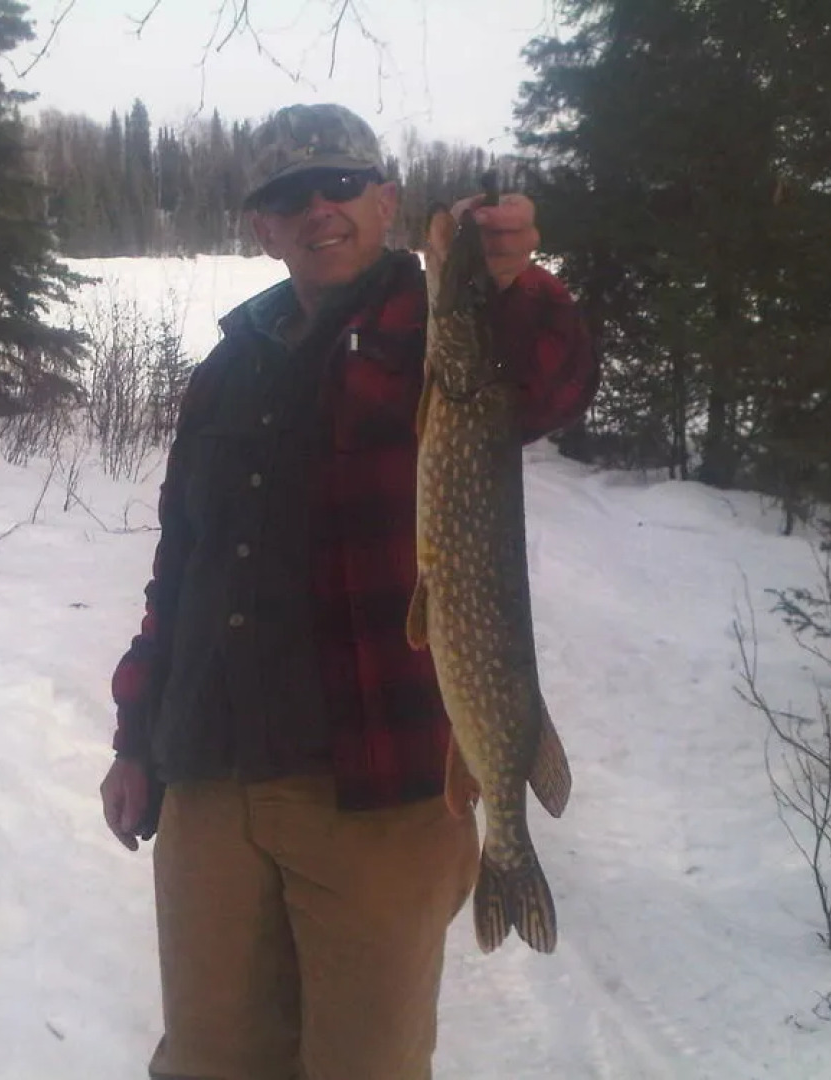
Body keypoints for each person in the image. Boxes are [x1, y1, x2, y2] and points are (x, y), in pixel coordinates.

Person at [99, 103, 599, 1080]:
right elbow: (183, 565)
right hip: (211, 772)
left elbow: (549, 382)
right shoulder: (228, 366)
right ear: (261, 226)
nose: (316, 207)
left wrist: (513, 279)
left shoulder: (442, 330)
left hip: (379, 788)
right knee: (209, 1057)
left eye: (337, 184)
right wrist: (135, 737)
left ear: (384, 200)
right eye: (288, 195)